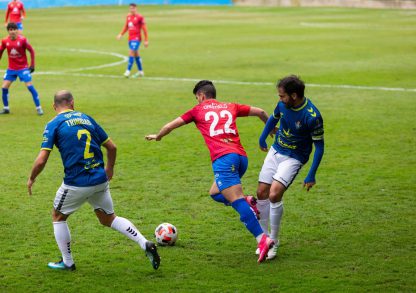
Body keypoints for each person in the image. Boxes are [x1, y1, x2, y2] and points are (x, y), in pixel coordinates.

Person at [27, 90, 160, 271]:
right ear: (73, 103)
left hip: (76, 183)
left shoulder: (53, 124)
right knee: (109, 218)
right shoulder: (87, 119)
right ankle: (144, 243)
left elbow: (42, 159)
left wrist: (31, 178)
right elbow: (112, 147)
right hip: (99, 180)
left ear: (53, 106)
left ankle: (67, 262)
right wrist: (109, 169)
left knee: (58, 216)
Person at [145, 80, 275, 263]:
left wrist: (158, 136)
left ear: (201, 96)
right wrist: (272, 129)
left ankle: (262, 239)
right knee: (215, 193)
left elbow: (170, 126)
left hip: (224, 160)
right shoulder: (231, 106)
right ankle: (248, 201)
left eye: (197, 98)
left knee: (236, 201)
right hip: (241, 158)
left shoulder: (197, 110)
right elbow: (261, 112)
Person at [256, 75, 324, 260]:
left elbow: (319, 147)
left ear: (294, 95)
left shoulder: (312, 116)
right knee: (261, 193)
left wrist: (311, 175)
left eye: (282, 96)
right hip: (276, 150)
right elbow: (273, 117)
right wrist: (263, 136)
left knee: (274, 194)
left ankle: (274, 241)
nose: (280, 99)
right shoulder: (283, 105)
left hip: (294, 157)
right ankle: (263, 240)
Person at [0, 22, 42, 115]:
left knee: (29, 86)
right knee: (4, 87)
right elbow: (1, 51)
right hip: (11, 69)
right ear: (8, 31)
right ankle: (6, 108)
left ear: (17, 30)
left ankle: (39, 108)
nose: (13, 31)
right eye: (10, 30)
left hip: (23, 68)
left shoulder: (22, 40)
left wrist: (32, 65)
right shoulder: (4, 41)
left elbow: (31, 51)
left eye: (14, 29)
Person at [116, 3, 148, 78]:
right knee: (136, 54)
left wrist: (146, 40)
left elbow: (144, 29)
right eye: (130, 8)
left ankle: (127, 71)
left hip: (137, 38)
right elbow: (126, 26)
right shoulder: (128, 16)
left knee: (131, 52)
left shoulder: (140, 17)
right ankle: (141, 72)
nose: (132, 10)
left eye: (133, 8)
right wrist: (121, 34)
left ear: (136, 8)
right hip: (130, 38)